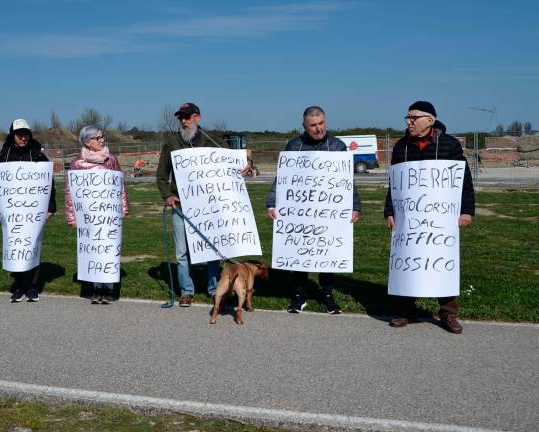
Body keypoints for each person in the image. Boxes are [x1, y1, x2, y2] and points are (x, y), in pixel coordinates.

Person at [384, 101, 475, 334]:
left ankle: (448, 313)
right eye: (407, 118)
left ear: (430, 121)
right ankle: (406, 311)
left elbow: (463, 180)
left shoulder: (449, 145)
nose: (409, 122)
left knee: (441, 262)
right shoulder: (401, 147)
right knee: (408, 262)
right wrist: (389, 211)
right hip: (410, 217)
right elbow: (394, 184)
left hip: (441, 220)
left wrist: (466, 211)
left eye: (414, 117)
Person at [266, 106, 361, 314]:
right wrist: (272, 203)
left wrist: (354, 206)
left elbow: (347, 181)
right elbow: (282, 177)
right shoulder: (294, 145)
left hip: (328, 211)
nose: (318, 129)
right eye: (313, 125)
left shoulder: (337, 146)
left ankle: (327, 295)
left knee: (328, 251)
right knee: (300, 250)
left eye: (321, 124)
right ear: (304, 126)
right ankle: (298, 296)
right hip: (301, 211)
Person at [156, 102, 251, 307]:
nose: (183, 121)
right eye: (181, 117)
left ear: (197, 118)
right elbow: (162, 175)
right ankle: (186, 291)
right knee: (182, 252)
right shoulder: (172, 142)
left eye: (188, 117)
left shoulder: (213, 140)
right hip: (180, 206)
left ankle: (214, 288)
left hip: (208, 206)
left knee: (212, 250)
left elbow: (235, 160)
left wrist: (248, 164)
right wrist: (167, 196)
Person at [0, 119, 56, 303]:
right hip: (12, 213)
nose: (23, 137)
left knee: (33, 246)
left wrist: (51, 207)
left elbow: (49, 185)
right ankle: (19, 286)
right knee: (15, 246)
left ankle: (33, 287)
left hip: (34, 213)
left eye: (26, 133)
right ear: (12, 135)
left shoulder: (39, 156)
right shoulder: (3, 156)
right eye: (19, 134)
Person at [64, 125, 129, 304]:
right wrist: (72, 216)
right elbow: (70, 192)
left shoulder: (112, 160)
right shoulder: (78, 164)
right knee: (93, 249)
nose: (102, 140)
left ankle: (108, 288)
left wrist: (124, 208)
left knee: (107, 248)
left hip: (109, 216)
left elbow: (120, 186)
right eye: (97, 138)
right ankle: (95, 288)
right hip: (89, 217)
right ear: (87, 142)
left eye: (102, 137)